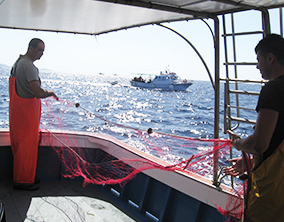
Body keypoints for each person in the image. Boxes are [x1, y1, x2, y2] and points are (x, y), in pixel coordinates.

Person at [224, 34, 284, 221]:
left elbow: (259, 144)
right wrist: (252, 163)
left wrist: (239, 143)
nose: (257, 66)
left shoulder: (273, 89)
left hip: (272, 200)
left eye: (258, 60)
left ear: (270, 58)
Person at [9, 38, 58, 191]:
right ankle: (23, 181)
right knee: (26, 149)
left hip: (16, 114)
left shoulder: (17, 63)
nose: (41, 54)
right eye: (39, 50)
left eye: (43, 51)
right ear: (30, 48)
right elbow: (37, 92)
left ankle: (25, 177)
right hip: (26, 117)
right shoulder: (29, 66)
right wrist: (50, 92)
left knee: (20, 148)